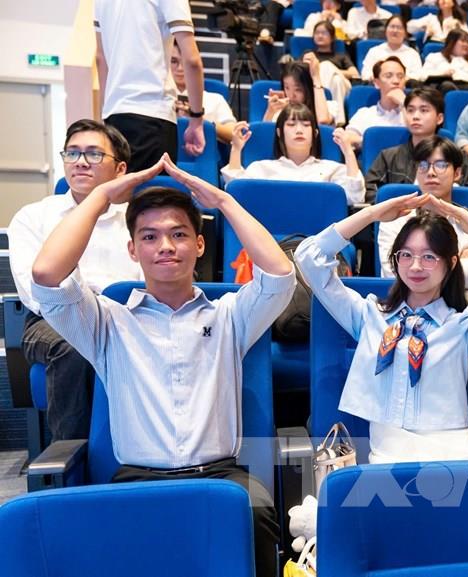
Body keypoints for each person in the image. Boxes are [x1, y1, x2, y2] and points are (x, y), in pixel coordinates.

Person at [30, 156, 296, 577]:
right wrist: (102, 195)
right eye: (150, 237)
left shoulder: (230, 315)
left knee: (257, 514)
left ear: (200, 245)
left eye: (179, 234)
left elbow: (280, 274)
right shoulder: (107, 321)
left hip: (221, 478)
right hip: (138, 479)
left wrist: (224, 201)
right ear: (132, 250)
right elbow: (46, 274)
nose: (166, 246)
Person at [294, 193, 468, 463]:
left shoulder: (462, 326)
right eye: (406, 255)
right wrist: (372, 214)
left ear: (451, 263)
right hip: (390, 458)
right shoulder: (369, 316)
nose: (416, 266)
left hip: (458, 454)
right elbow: (309, 257)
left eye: (429, 256)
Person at [8, 120, 143, 441]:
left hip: (128, 315)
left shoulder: (136, 218)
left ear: (120, 169)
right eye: (72, 153)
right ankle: (71, 451)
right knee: (71, 344)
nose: (80, 162)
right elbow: (34, 290)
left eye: (94, 154)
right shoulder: (33, 216)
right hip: (53, 319)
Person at [94, 0, 205, 169]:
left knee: (120, 185)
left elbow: (101, 59)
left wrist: (105, 114)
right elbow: (192, 60)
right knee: (152, 187)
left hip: (114, 116)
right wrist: (196, 119)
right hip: (153, 114)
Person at [378, 136, 468, 288]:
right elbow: (394, 274)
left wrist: (421, 268)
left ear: (457, 173)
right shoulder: (395, 221)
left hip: (461, 301)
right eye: (423, 165)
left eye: (440, 165)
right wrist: (455, 262)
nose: (430, 172)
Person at [222, 103, 364, 206]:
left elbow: (355, 198)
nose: (299, 130)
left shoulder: (333, 170)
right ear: (279, 133)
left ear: (315, 134)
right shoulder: (261, 168)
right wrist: (236, 149)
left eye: (306, 125)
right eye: (291, 124)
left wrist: (348, 152)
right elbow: (236, 194)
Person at [366, 87, 468, 201]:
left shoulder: (457, 157)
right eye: (410, 110)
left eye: (424, 110)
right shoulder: (388, 157)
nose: (415, 116)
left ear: (439, 118)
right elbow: (371, 193)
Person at [170, 42, 236, 144]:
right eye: (174, 61)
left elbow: (234, 134)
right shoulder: (156, 99)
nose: (180, 68)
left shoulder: (215, 100)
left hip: (206, 152)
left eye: (186, 62)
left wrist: (200, 120)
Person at [345, 57, 409, 149]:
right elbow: (347, 138)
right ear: (376, 83)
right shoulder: (364, 114)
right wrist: (374, 141)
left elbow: (421, 138)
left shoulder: (414, 113)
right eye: (388, 76)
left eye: (400, 76)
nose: (396, 81)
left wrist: (404, 103)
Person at [305, 20, 360, 122]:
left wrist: (331, 70)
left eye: (324, 33)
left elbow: (354, 73)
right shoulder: (309, 55)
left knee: (328, 68)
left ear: (332, 37)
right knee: (336, 80)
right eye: (317, 33)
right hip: (314, 85)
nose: (320, 36)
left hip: (344, 87)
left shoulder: (341, 56)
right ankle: (338, 121)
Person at [264, 60, 337, 125]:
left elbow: (323, 120)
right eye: (287, 88)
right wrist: (270, 112)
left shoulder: (329, 107)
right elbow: (264, 134)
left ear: (309, 89)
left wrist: (316, 78)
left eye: (298, 89)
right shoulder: (280, 113)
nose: (291, 95)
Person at [360, 15, 424, 81]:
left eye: (399, 28)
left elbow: (418, 76)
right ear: (385, 30)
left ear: (405, 33)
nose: (395, 30)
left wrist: (400, 79)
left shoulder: (413, 54)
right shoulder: (374, 51)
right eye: (392, 27)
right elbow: (365, 74)